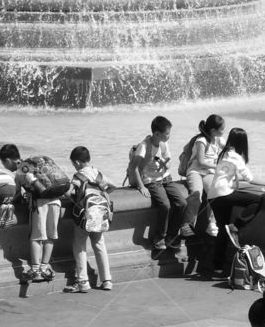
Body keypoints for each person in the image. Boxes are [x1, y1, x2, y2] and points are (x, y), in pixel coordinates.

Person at [207, 128, 265, 275]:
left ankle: (217, 267)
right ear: (242, 142)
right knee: (257, 200)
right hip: (224, 194)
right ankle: (236, 226)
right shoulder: (235, 156)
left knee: (222, 232)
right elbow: (249, 178)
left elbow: (233, 175)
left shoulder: (223, 153)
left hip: (213, 195)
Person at [0, 143, 60, 283]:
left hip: (40, 204)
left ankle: (36, 270)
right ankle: (45, 268)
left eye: (3, 163)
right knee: (50, 236)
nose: (4, 166)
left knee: (36, 238)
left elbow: (16, 195)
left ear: (8, 160)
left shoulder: (20, 172)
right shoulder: (35, 164)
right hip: (56, 201)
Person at [129, 116, 187, 252]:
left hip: (165, 178)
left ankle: (172, 236)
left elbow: (169, 160)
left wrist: (166, 163)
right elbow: (133, 168)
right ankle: (159, 237)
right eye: (167, 133)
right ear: (157, 134)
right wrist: (142, 186)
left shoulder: (163, 143)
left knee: (182, 203)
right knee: (165, 205)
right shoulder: (144, 147)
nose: (169, 136)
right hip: (151, 181)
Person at [63, 145, 116, 293]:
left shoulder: (78, 176)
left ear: (78, 162)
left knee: (79, 244)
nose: (74, 166)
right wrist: (104, 193)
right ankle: (107, 280)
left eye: (73, 163)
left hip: (85, 217)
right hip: (99, 215)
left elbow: (68, 193)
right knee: (99, 245)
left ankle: (83, 281)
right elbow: (113, 186)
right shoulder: (98, 174)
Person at [180, 114, 226, 238]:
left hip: (209, 173)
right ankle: (187, 224)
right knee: (196, 193)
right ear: (213, 130)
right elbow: (200, 161)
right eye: (222, 129)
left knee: (215, 191)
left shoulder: (218, 139)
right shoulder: (201, 141)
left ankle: (212, 224)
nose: (224, 131)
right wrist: (217, 167)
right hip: (195, 171)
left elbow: (228, 149)